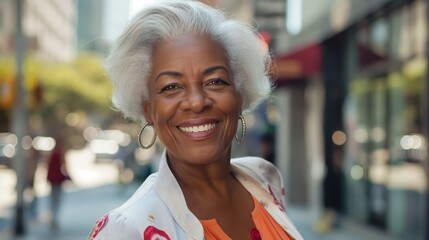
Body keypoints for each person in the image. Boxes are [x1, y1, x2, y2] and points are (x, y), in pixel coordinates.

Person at [89, 1, 303, 239]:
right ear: (148, 110)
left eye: (215, 81)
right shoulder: (128, 228)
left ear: (239, 94)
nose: (197, 102)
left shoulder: (264, 178)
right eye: (171, 87)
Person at [46, 137, 69, 230]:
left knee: (53, 198)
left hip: (52, 178)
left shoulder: (50, 153)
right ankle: (54, 218)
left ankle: (53, 217)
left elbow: (46, 164)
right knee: (57, 199)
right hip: (57, 178)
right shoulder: (60, 153)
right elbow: (64, 165)